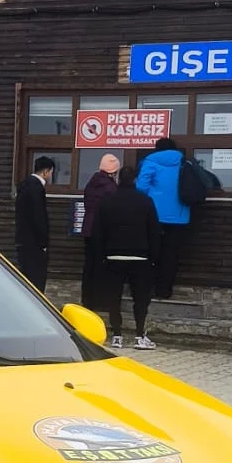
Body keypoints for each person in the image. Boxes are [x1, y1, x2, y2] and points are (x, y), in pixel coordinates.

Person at [94, 164, 159, 349]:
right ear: (136, 180)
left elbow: (98, 231)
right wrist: (153, 257)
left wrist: (102, 255)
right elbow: (154, 231)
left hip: (113, 256)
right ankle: (139, 336)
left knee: (114, 297)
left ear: (118, 179)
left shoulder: (107, 201)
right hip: (140, 257)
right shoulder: (145, 201)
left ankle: (117, 335)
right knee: (141, 297)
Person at [136, 137, 188, 299]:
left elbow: (141, 188)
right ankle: (165, 290)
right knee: (171, 255)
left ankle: (149, 288)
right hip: (180, 216)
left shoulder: (150, 162)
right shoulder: (184, 162)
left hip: (155, 216)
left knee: (152, 253)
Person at [80, 153, 120, 309]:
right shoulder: (110, 188)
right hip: (102, 230)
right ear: (113, 171)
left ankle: (86, 299)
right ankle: (99, 301)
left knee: (89, 265)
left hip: (88, 228)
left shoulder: (92, 183)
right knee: (101, 266)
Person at [14, 156, 54, 291]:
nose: (51, 176)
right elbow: (39, 217)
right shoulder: (37, 188)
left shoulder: (24, 185)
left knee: (26, 279)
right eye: (51, 172)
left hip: (22, 239)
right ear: (45, 171)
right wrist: (43, 242)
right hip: (34, 243)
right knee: (36, 280)